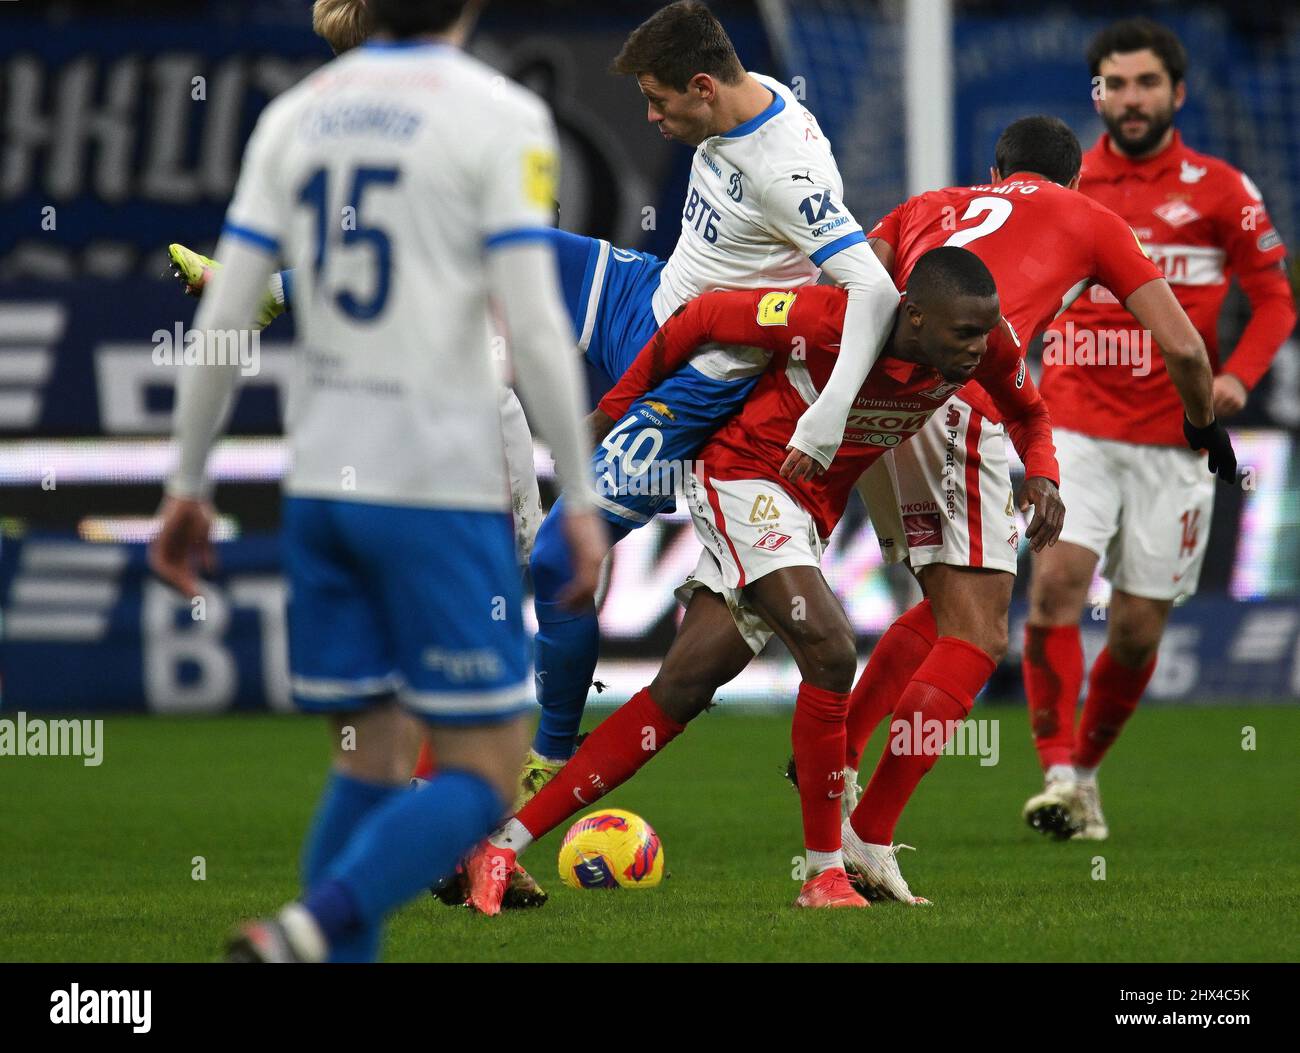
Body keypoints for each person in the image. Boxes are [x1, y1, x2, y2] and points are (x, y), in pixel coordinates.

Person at [148, 0, 604, 962]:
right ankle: (310, 925)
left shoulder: (296, 116)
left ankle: (315, 939)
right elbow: (533, 325)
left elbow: (229, 308)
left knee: (367, 759)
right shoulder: (500, 115)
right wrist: (586, 492)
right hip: (443, 474)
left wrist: (188, 479)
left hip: (323, 480)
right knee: (485, 767)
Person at [465, 247, 1062, 913]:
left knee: (682, 689)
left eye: (986, 332)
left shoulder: (988, 346)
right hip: (742, 475)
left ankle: (501, 844)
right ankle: (825, 874)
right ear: (914, 316)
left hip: (805, 514)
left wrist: (1043, 470)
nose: (981, 349)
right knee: (831, 648)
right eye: (964, 334)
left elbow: (1030, 414)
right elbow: (707, 317)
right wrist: (611, 414)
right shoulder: (828, 318)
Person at [834, 114, 1237, 894]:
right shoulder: (1091, 218)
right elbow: (1185, 347)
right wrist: (1200, 421)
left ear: (995, 171)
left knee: (950, 600)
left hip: (874, 396)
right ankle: (868, 833)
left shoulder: (931, 203)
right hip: (965, 393)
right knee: (980, 633)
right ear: (1075, 177)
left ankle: (841, 754)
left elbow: (855, 284)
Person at [1021, 19, 1295, 839]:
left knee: (1137, 630)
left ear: (1177, 92)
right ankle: (1057, 773)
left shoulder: (1221, 190)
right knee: (1056, 586)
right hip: (1073, 426)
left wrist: (1238, 375)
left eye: (1146, 83)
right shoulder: (1064, 184)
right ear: (1096, 93)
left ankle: (1088, 779)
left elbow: (1275, 298)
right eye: (1114, 83)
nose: (1130, 99)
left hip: (1177, 440)